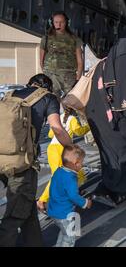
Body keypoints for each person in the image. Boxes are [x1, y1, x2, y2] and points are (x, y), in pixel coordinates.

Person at [0, 74, 72, 247]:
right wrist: (71, 147)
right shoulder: (48, 98)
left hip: (1, 158)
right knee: (15, 216)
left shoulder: (11, 95)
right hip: (21, 164)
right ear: (47, 87)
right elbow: (56, 127)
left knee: (26, 206)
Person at [85, 38, 126, 206]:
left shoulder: (105, 64)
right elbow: (124, 99)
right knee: (121, 154)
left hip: (98, 118)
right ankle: (112, 192)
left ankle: (105, 189)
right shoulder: (122, 64)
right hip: (112, 120)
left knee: (109, 156)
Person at [37, 106, 90, 212]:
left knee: (72, 172)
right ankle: (42, 200)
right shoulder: (72, 119)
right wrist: (89, 126)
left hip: (52, 148)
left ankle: (74, 192)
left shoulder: (58, 117)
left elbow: (50, 134)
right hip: (62, 148)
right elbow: (79, 131)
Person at [47, 144, 92, 247]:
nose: (82, 165)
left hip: (54, 210)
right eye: (81, 162)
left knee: (64, 233)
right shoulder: (70, 178)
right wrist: (85, 203)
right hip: (65, 214)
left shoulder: (59, 171)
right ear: (76, 164)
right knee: (70, 237)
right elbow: (73, 196)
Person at [40, 11, 83, 98]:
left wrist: (78, 79)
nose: (59, 25)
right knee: (52, 102)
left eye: (62, 22)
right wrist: (46, 74)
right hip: (51, 75)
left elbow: (80, 61)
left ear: (66, 22)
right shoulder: (46, 38)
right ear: (52, 23)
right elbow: (41, 60)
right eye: (56, 22)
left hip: (69, 76)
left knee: (73, 103)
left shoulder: (74, 39)